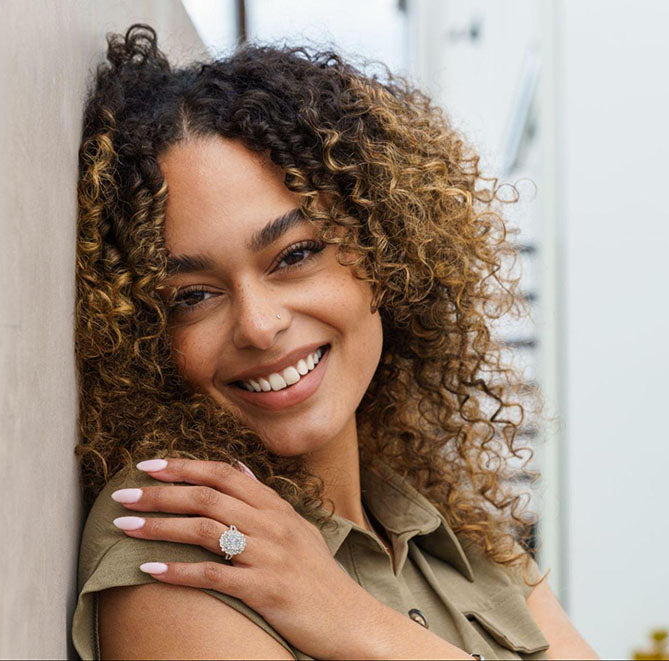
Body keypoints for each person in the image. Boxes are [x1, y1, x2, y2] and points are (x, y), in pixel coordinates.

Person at [71, 23, 597, 660]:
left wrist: (355, 622)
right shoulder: (184, 531)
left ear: (384, 251)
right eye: (192, 295)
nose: (259, 325)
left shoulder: (451, 532)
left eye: (295, 255)